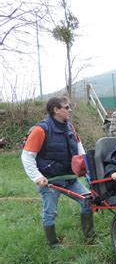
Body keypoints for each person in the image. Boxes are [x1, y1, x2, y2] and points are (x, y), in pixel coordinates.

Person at [21, 97, 95, 247]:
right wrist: (38, 177)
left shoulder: (70, 128)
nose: (70, 110)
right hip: (50, 181)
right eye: (66, 107)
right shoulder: (41, 130)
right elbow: (27, 156)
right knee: (50, 213)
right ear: (56, 109)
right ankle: (53, 244)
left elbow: (80, 150)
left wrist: (86, 169)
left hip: (70, 178)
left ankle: (90, 236)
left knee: (88, 201)